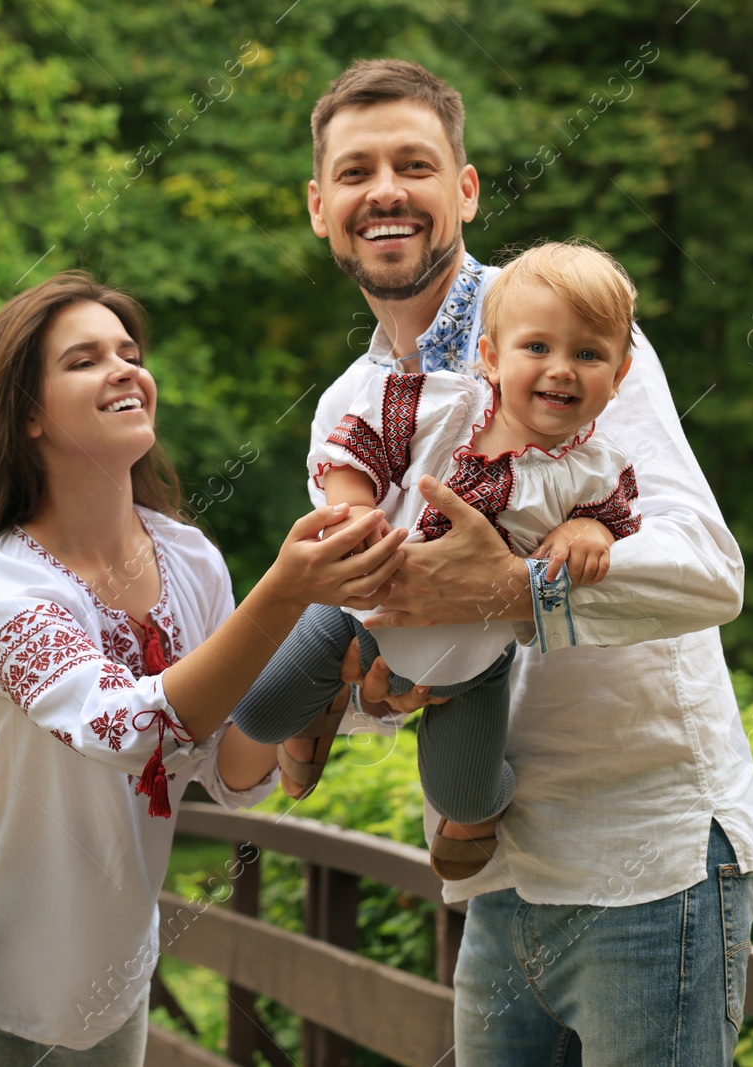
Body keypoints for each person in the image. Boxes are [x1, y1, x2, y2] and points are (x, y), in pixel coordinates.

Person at [300, 59, 753, 1065]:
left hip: (643, 860)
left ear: (464, 189)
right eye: (355, 171)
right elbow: (395, 641)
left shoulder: (571, 336)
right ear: (320, 206)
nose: (383, 190)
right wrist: (378, 690)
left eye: (413, 163)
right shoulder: (347, 414)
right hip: (493, 870)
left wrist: (513, 587)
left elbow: (706, 571)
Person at [0, 271, 405, 1065]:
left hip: (112, 966)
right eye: (85, 359)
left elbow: (232, 765)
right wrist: (285, 590)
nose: (124, 369)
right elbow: (124, 726)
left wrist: (346, 687)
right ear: (27, 414)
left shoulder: (191, 560)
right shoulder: (2, 583)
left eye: (130, 351)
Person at [233, 241, 641, 882]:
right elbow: (358, 439)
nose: (561, 369)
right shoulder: (442, 404)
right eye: (537, 348)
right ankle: (318, 701)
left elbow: (619, 522)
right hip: (359, 606)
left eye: (588, 355)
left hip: (471, 662)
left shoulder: (596, 469)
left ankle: (478, 810)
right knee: (255, 713)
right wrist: (353, 512)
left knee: (464, 796)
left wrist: (590, 529)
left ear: (618, 378)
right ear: (490, 357)